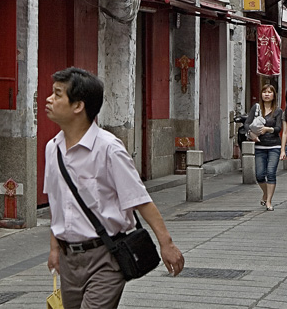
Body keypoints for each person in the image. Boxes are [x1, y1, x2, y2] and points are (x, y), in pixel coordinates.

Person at [45, 67, 184, 308]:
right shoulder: (52, 148)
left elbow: (139, 199)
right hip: (69, 260)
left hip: (105, 257)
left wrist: (166, 243)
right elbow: (56, 203)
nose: (49, 99)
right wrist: (55, 248)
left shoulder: (109, 148)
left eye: (57, 94)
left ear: (78, 106)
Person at [245, 83, 284, 211]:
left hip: (274, 145)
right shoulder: (256, 108)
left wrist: (268, 129)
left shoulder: (278, 111)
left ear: (274, 95)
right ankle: (266, 193)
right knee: (260, 175)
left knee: (271, 172)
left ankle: (269, 201)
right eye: (264, 92)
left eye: (269, 92)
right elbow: (247, 123)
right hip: (260, 146)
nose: (267, 94)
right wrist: (251, 134)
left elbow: (278, 128)